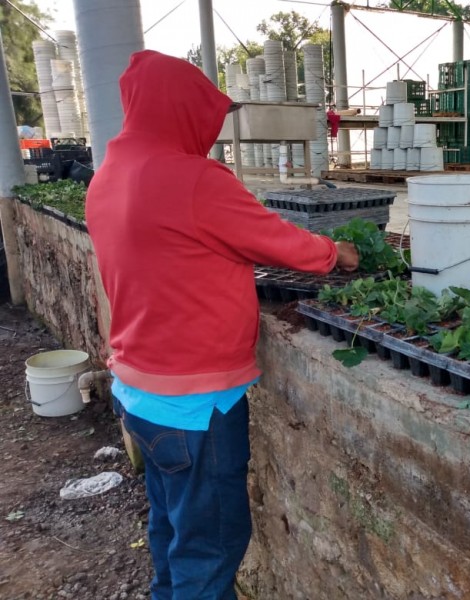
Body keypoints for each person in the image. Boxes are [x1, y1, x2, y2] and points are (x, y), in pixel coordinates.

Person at [85, 50, 358, 600]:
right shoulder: (190, 178)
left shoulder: (108, 175)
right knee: (210, 551)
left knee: (171, 530)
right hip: (195, 406)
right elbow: (277, 241)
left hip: (137, 391)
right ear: (182, 110)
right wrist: (336, 252)